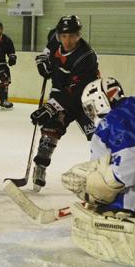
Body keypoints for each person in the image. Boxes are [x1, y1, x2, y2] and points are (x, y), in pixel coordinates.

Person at [60, 77, 135, 267]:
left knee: (104, 206)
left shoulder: (116, 118)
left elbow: (132, 157)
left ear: (100, 99)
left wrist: (103, 185)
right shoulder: (134, 106)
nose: (91, 113)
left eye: (90, 107)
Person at [30, 15, 99, 191]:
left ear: (79, 35)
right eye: (64, 36)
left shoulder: (86, 57)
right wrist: (43, 62)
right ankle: (40, 167)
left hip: (86, 98)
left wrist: (50, 107)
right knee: (49, 131)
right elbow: (47, 53)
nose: (67, 41)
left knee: (99, 137)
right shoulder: (54, 37)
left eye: (72, 36)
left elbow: (75, 94)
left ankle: (102, 177)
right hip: (60, 91)